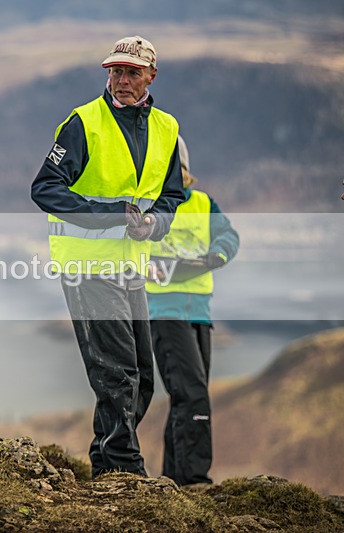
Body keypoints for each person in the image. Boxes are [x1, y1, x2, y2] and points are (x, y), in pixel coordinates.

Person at [30, 36, 185, 477]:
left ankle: (105, 463)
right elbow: (44, 188)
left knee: (142, 377)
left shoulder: (167, 128)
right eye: (115, 71)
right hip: (87, 265)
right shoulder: (83, 122)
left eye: (132, 73)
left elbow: (171, 196)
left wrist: (154, 223)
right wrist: (110, 216)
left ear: (151, 76)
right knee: (117, 373)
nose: (121, 80)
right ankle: (126, 471)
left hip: (131, 265)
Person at [146, 135, 240, 486]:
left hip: (200, 312)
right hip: (165, 311)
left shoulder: (203, 203)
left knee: (185, 397)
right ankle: (194, 480)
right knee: (192, 393)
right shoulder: (148, 206)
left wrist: (217, 255)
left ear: (183, 168)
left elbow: (229, 236)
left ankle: (174, 479)